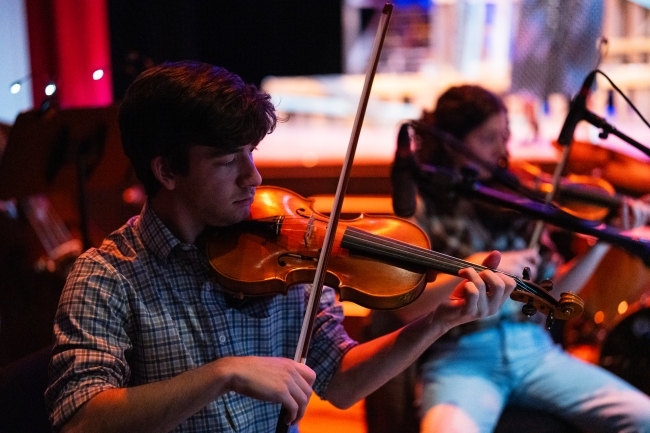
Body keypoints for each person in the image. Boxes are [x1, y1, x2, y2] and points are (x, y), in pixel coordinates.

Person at [44, 61, 517, 433]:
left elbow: (343, 380)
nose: (254, 178)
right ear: (166, 172)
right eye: (228, 161)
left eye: (251, 153)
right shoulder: (106, 276)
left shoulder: (284, 256)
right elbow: (82, 419)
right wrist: (222, 374)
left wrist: (438, 322)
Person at [389, 84, 650, 433]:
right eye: (487, 138)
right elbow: (408, 308)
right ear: (452, 145)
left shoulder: (516, 200)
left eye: (505, 136)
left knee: (643, 418)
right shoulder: (419, 207)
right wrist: (470, 268)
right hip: (460, 358)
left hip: (534, 352)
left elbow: (552, 296)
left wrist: (604, 238)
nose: (501, 150)